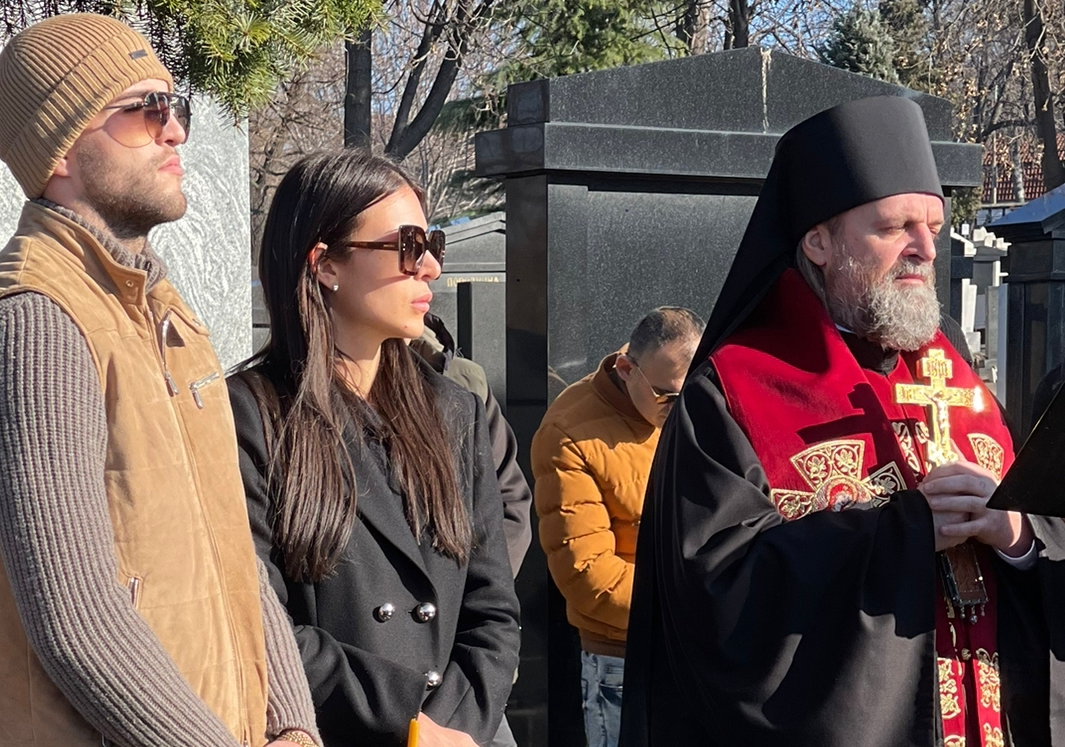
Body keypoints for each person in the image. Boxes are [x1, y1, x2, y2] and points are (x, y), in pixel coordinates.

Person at [620, 96, 1065, 747]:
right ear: (819, 241)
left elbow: (1043, 527)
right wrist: (904, 532)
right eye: (894, 227)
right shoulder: (733, 389)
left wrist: (1017, 535)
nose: (923, 249)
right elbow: (716, 596)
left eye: (932, 228)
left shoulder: (954, 374)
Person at [0, 14, 319, 747]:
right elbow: (77, 622)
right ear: (60, 149)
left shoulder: (163, 313)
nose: (176, 132)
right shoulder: (33, 326)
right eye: (145, 111)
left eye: (176, 107)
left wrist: (291, 723)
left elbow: (233, 557)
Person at [228, 150, 521, 747]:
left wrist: (451, 727)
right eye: (408, 246)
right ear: (325, 263)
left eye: (433, 244)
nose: (430, 267)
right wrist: (410, 719)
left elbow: (493, 609)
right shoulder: (249, 416)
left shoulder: (454, 410)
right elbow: (258, 622)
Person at [532, 307, 702, 747]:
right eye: (666, 396)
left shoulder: (693, 401)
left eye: (693, 393)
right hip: (624, 659)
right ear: (626, 369)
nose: (680, 409)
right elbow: (587, 574)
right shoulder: (569, 430)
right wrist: (696, 609)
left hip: (702, 646)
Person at [412, 313, 534, 575]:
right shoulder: (324, 384)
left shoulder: (462, 380)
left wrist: (482, 590)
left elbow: (508, 500)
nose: (426, 294)